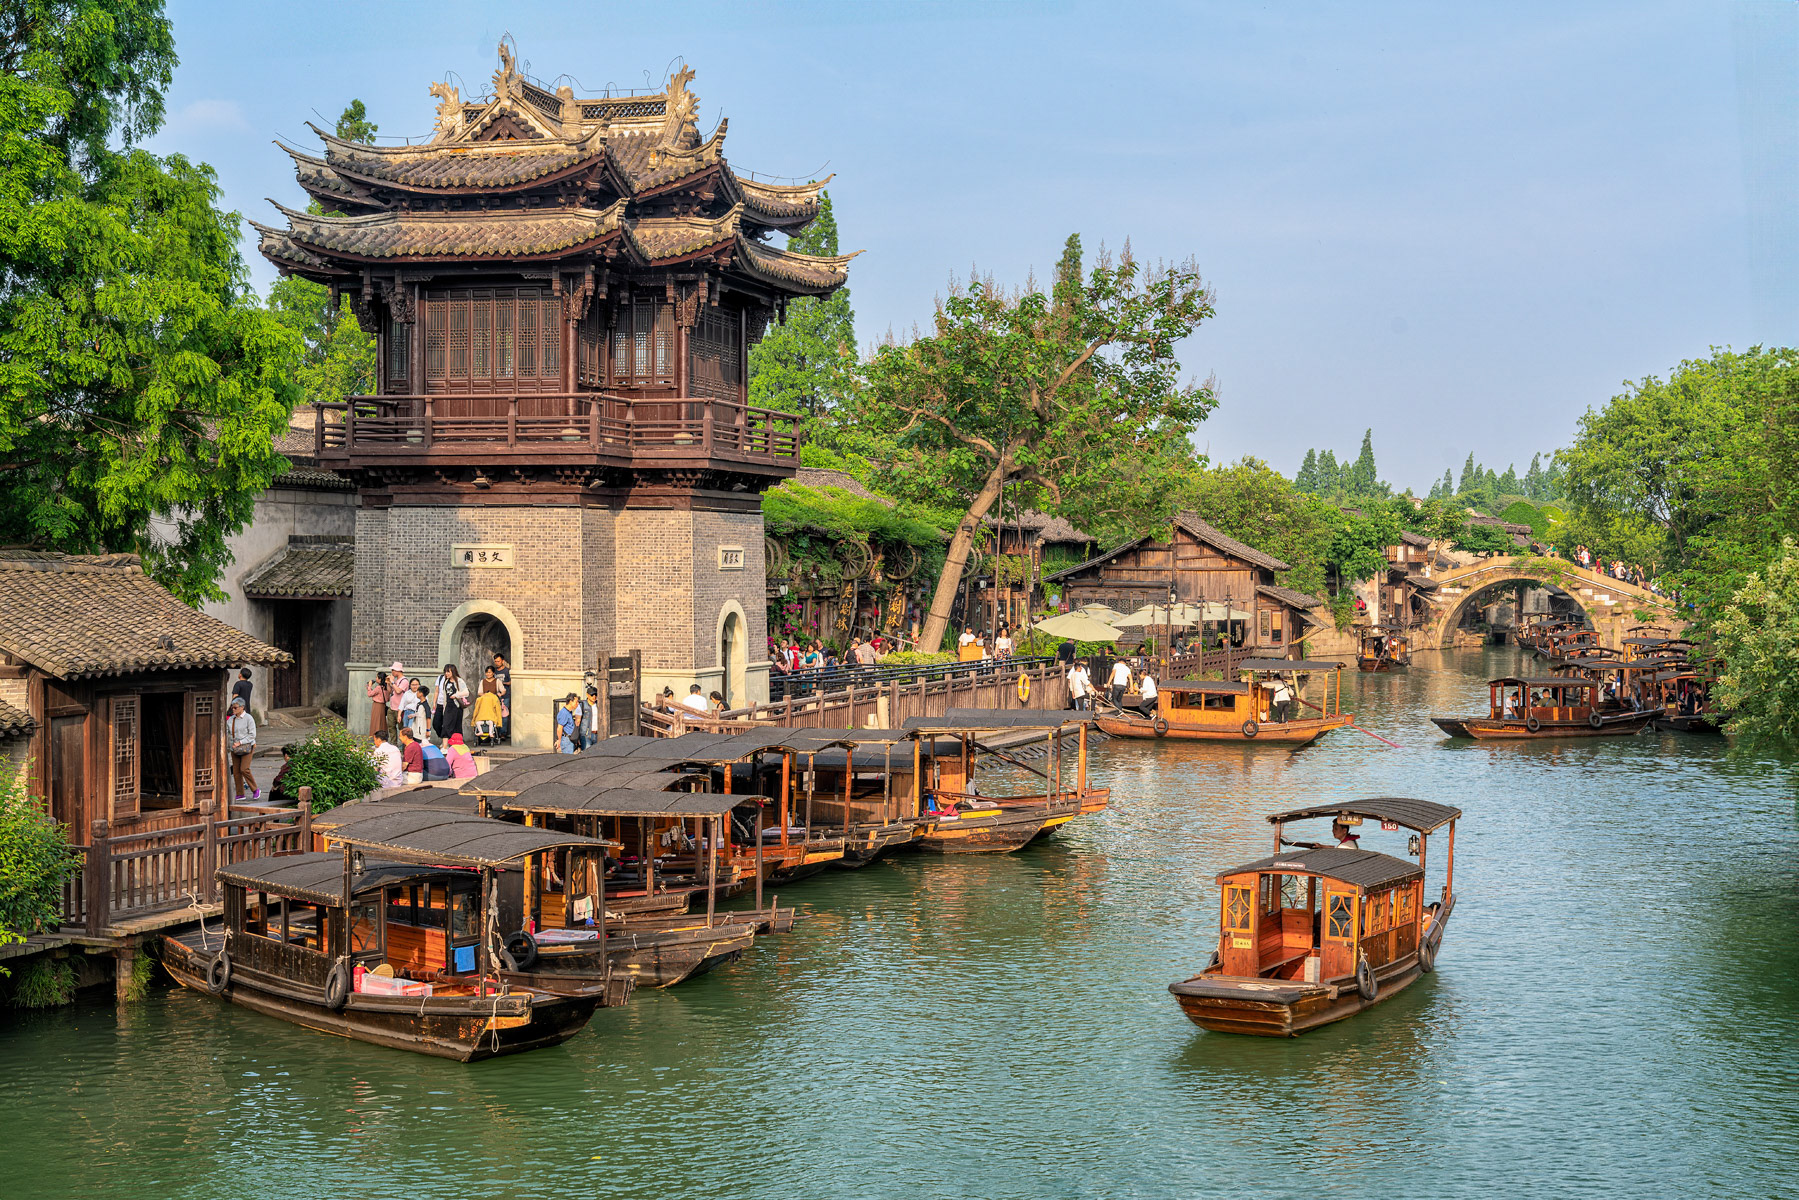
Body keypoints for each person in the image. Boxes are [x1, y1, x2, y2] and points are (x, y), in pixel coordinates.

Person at [225, 697, 258, 801]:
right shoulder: (231, 719)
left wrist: (240, 742)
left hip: (247, 746)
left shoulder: (249, 718)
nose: (233, 710)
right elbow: (227, 733)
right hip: (234, 748)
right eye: (232, 708)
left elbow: (252, 735)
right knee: (236, 771)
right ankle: (240, 794)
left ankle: (255, 789)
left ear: (242, 707)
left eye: (235, 707)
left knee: (244, 769)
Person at [434, 665, 470, 744]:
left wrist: (456, 695)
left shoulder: (459, 681)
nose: (446, 674)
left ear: (453, 672)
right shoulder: (446, 681)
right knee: (446, 726)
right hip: (448, 706)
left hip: (456, 707)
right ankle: (445, 746)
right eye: (445, 672)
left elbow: (466, 692)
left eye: (448, 672)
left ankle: (457, 745)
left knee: (457, 727)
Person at [471, 667, 505, 745]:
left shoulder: (497, 681)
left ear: (493, 673)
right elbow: (479, 692)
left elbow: (503, 690)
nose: (488, 674)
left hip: (493, 702)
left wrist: (500, 694)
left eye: (489, 672)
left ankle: (493, 733)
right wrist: (486, 695)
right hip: (484, 702)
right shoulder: (482, 682)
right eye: (487, 672)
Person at [491, 652, 513, 742]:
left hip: (505, 696)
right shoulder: (494, 671)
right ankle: (496, 732)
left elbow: (511, 682)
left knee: (504, 715)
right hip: (495, 696)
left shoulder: (507, 671)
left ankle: (503, 733)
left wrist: (501, 683)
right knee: (495, 714)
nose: (497, 663)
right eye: (495, 661)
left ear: (503, 661)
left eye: (499, 661)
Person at [385, 661, 409, 741]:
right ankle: (393, 743)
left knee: (402, 728)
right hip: (392, 707)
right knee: (391, 727)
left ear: (398, 671)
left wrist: (392, 682)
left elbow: (398, 691)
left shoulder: (404, 681)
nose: (392, 672)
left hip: (400, 709)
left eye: (393, 670)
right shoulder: (395, 681)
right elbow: (390, 692)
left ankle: (403, 745)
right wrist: (389, 683)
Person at [366, 672, 390, 737]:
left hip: (377, 705)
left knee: (376, 722)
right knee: (382, 722)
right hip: (383, 705)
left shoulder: (379, 687)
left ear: (380, 679)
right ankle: (383, 736)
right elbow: (388, 698)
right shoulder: (387, 687)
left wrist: (370, 686)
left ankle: (377, 737)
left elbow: (369, 694)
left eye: (377, 677)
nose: (376, 679)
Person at [584, 683, 603, 749]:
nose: (594, 696)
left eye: (596, 694)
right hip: (587, 735)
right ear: (587, 695)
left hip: (598, 733)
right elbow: (578, 721)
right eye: (592, 695)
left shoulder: (599, 705)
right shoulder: (582, 705)